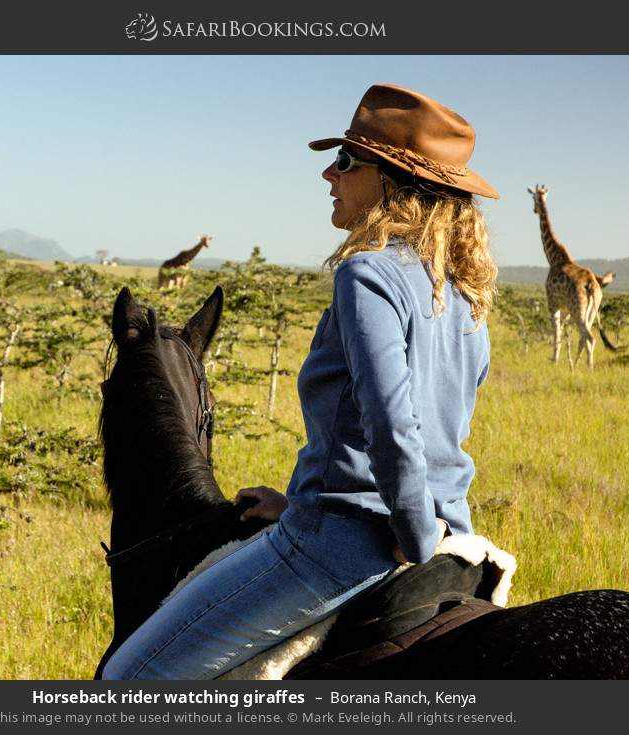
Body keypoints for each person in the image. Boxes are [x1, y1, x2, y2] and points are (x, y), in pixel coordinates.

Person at [101, 83, 497, 680]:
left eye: (345, 161)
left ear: (389, 179)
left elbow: (393, 424)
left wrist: (411, 536)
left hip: (347, 546)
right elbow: (442, 429)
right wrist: (300, 502)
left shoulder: (366, 274)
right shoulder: (465, 294)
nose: (329, 176)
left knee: (128, 681)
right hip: (454, 536)